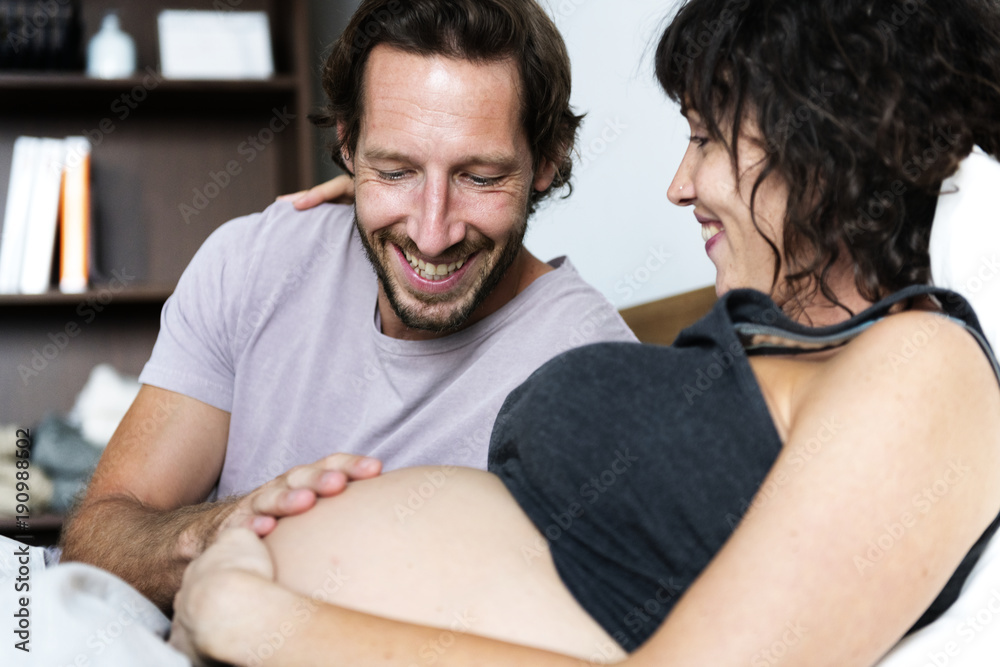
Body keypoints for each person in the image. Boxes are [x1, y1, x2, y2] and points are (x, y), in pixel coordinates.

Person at [167, 0, 1000, 664]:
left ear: (819, 143)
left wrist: (260, 621)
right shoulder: (800, 350)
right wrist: (416, 200)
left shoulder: (926, 365)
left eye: (704, 139)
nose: (680, 186)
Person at [59, 0, 636, 613]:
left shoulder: (595, 377)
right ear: (347, 144)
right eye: (395, 169)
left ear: (546, 160)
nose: (431, 232)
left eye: (479, 177)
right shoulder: (257, 260)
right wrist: (218, 532)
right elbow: (93, 542)